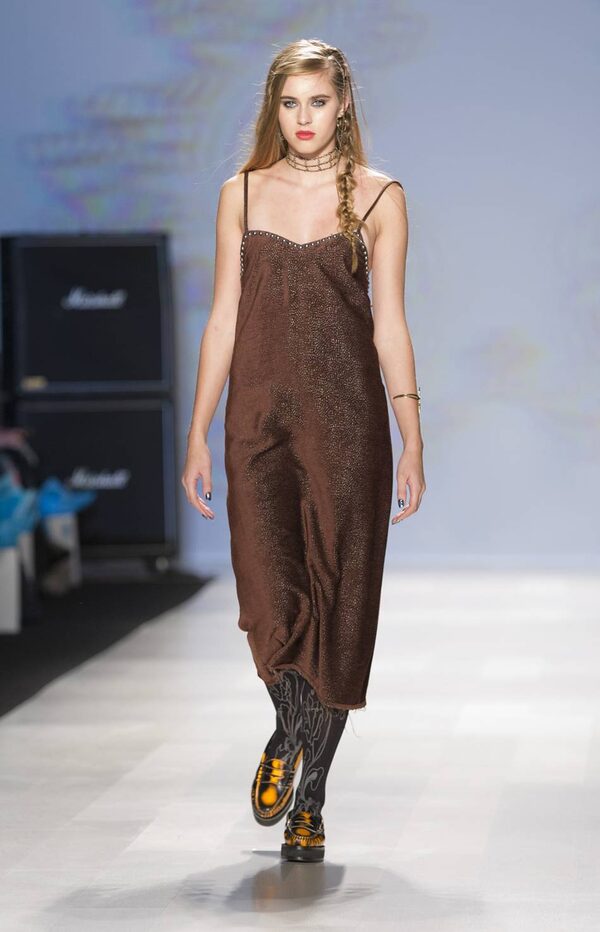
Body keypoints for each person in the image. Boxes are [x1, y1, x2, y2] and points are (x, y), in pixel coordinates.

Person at [182, 38, 425, 862]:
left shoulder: (380, 196)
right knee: (269, 595)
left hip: (348, 427)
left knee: (340, 607)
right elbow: (223, 319)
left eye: (317, 102)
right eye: (290, 104)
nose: (304, 118)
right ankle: (289, 730)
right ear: (273, 109)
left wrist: (412, 435)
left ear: (342, 103)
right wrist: (197, 431)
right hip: (256, 424)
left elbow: (389, 325)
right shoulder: (242, 193)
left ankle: (310, 801)